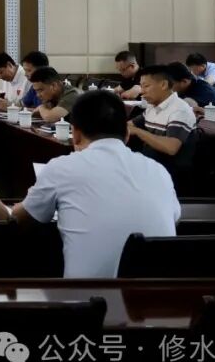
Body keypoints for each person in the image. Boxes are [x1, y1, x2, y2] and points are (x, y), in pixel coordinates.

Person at [12, 90, 179, 278]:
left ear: (75, 134)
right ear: (127, 135)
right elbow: (174, 218)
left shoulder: (62, 168)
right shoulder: (158, 170)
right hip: (158, 293)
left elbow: (21, 218)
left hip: (88, 294)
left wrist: (21, 204)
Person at [127, 65, 198, 171]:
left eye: (146, 86)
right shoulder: (153, 106)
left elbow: (171, 148)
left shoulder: (179, 110)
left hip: (172, 172)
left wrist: (138, 132)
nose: (142, 91)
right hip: (152, 165)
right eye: (141, 86)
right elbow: (130, 125)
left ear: (163, 84)